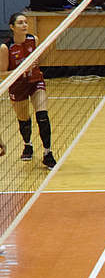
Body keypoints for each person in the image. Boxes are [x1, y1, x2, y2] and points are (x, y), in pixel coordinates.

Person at [0, 13, 56, 169]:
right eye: (20, 23)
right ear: (12, 27)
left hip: (35, 81)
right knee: (23, 119)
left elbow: (36, 61)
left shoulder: (33, 39)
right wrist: (21, 70)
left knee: (42, 116)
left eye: (25, 22)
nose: (24, 25)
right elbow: (2, 74)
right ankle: (28, 145)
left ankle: (48, 153)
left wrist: (34, 66)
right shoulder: (6, 47)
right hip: (18, 86)